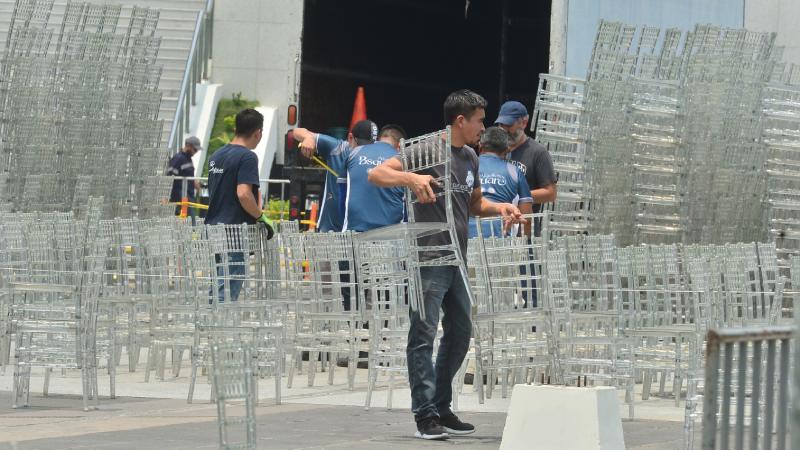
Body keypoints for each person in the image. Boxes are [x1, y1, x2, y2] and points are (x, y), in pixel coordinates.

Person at [369, 90, 524, 440]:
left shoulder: (470, 156)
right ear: (460, 120)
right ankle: (424, 414)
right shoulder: (426, 149)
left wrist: (500, 209)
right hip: (428, 257)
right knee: (423, 334)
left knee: (460, 331)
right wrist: (412, 178)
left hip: (457, 259)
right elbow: (378, 174)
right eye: (480, 120)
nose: (483, 128)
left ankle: (440, 405)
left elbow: (475, 203)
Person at [205, 108, 274, 302]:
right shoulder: (247, 157)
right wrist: (261, 216)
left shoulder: (216, 155)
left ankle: (210, 328)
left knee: (216, 285)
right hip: (234, 233)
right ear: (258, 133)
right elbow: (244, 194)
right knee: (227, 290)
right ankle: (217, 329)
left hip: (213, 229)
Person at [292, 120, 379, 232]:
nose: (364, 150)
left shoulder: (376, 158)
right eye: (361, 145)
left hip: (360, 230)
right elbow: (296, 131)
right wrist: (309, 138)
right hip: (330, 231)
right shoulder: (337, 148)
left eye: (370, 146)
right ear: (350, 138)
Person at [495, 101, 557, 236]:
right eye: (501, 125)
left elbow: (551, 193)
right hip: (497, 228)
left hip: (525, 229)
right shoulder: (494, 150)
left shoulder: (538, 152)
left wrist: (517, 197)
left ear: (524, 122)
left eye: (509, 125)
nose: (504, 130)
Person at [468, 126, 533, 238]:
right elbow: (526, 219)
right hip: (499, 242)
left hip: (465, 239)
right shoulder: (515, 172)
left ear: (480, 146)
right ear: (507, 150)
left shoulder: (467, 166)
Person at [342, 125, 407, 232]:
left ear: (378, 140)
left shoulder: (354, 152)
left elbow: (340, 191)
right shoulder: (404, 161)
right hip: (391, 237)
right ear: (400, 146)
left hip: (353, 234)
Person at [167, 136, 202, 219]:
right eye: (195, 149)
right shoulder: (178, 158)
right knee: (190, 224)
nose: (196, 152)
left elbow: (187, 175)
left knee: (188, 224)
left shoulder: (188, 159)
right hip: (182, 199)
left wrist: (195, 182)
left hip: (188, 197)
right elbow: (170, 177)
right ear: (188, 146)